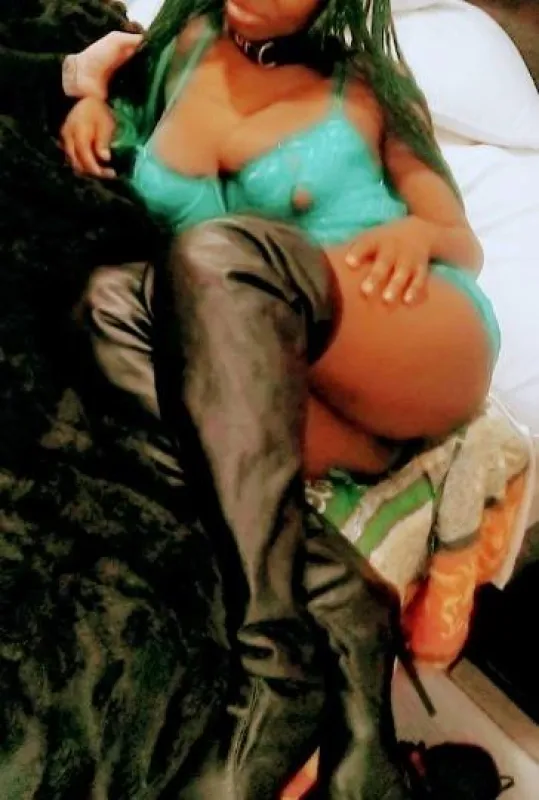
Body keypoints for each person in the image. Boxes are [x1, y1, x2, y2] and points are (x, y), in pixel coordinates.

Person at [60, 0, 502, 796]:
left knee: (218, 255)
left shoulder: (365, 84)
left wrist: (419, 234)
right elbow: (100, 74)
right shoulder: (181, 45)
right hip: (269, 367)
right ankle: (343, 601)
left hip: (404, 331)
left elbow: (459, 241)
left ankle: (276, 670)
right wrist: (92, 100)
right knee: (107, 305)